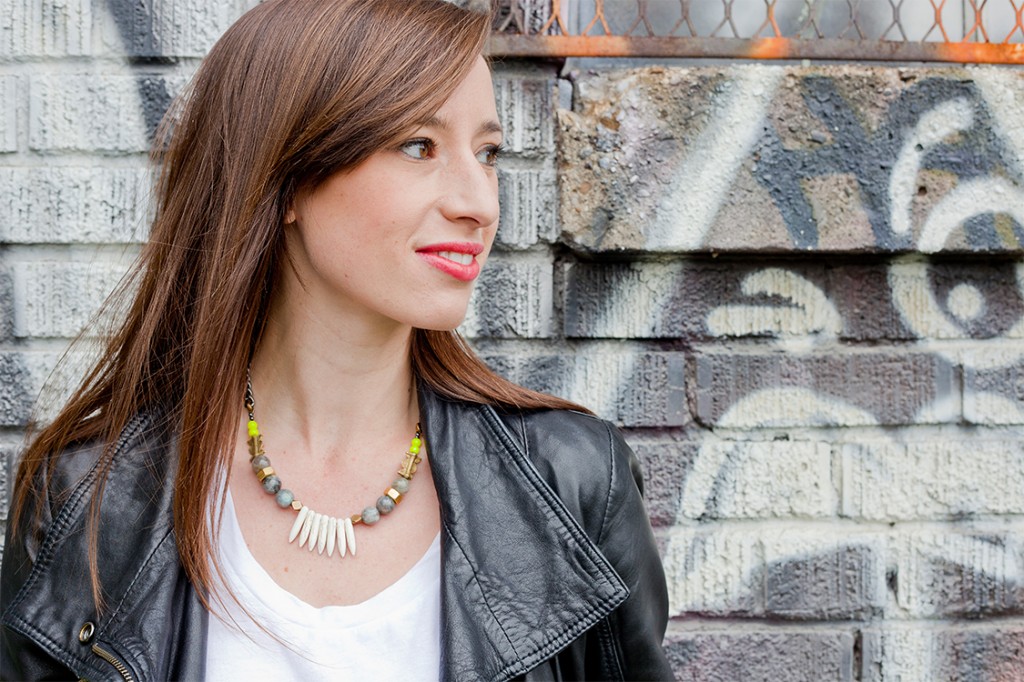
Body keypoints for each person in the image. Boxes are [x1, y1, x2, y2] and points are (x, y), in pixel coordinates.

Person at [0, 0, 673, 679]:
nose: (480, 203)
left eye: (488, 153)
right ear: (286, 180)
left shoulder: (575, 485)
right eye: (419, 146)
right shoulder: (88, 502)